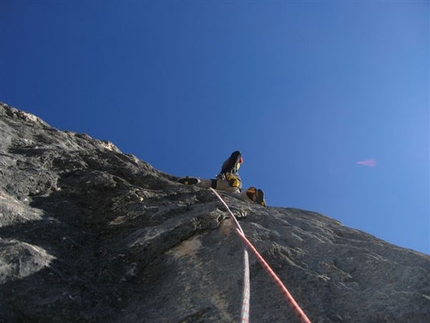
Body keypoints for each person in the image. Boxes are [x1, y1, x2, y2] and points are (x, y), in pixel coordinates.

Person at [178, 151, 266, 206]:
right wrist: (230, 173)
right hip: (233, 186)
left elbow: (212, 183)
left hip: (224, 188)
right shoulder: (234, 170)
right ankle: (254, 196)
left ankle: (196, 181)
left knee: (209, 183)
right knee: (239, 189)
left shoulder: (221, 173)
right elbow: (237, 154)